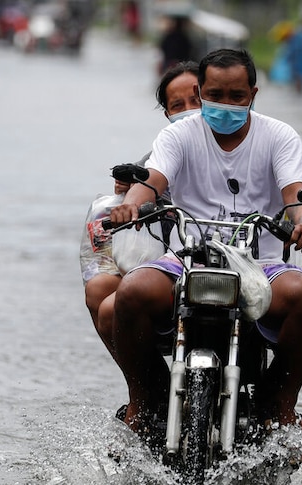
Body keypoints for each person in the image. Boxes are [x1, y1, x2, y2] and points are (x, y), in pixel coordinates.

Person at [104, 48, 302, 433]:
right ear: (201, 91)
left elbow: (296, 195)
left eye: (236, 97)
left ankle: (278, 403)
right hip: (186, 259)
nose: (224, 105)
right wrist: (130, 205)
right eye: (214, 95)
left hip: (260, 266)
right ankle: (143, 400)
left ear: (253, 94)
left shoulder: (279, 136)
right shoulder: (178, 134)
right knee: (130, 293)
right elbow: (152, 180)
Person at [83, 61, 201, 361]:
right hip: (173, 255)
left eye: (197, 100)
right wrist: (128, 199)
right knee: (101, 291)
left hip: (232, 255)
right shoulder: (162, 152)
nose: (189, 110)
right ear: (168, 115)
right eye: (179, 105)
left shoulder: (254, 141)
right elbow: (148, 184)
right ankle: (148, 386)